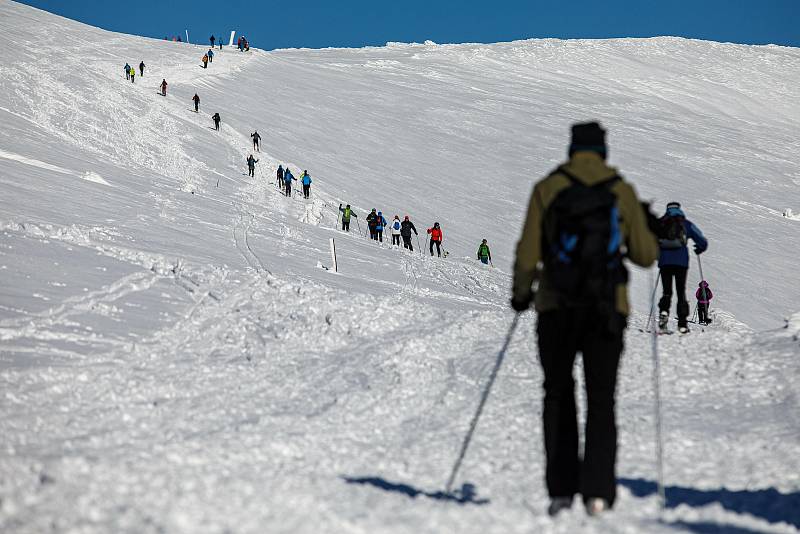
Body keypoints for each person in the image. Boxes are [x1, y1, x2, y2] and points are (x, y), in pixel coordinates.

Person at [510, 122, 658, 516]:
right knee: (601, 397)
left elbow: (528, 250)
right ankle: (597, 492)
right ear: (603, 150)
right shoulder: (620, 190)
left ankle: (561, 489)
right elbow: (645, 255)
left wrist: (522, 294)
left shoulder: (548, 187)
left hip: (556, 306)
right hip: (607, 308)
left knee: (557, 392)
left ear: (572, 149)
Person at [657, 201, 708, 334]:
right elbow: (702, 241)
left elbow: (649, 238)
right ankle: (682, 323)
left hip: (665, 262)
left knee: (666, 291)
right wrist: (699, 248)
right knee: (681, 292)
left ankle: (663, 312)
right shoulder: (686, 224)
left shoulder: (661, 223)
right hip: (681, 263)